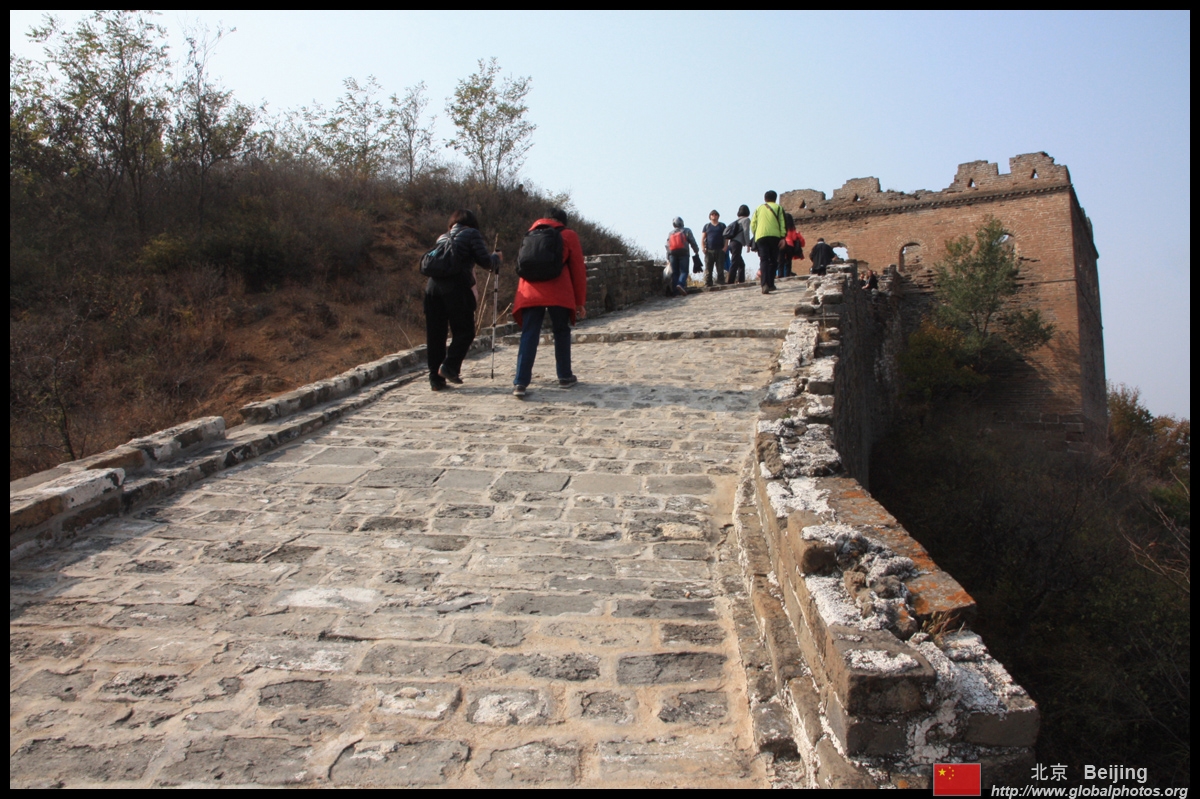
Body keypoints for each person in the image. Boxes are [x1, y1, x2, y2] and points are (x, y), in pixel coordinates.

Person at [512, 208, 587, 398]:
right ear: (563, 221)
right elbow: (578, 269)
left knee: (529, 333)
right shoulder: (568, 235)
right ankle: (565, 376)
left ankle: (520, 382)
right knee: (561, 331)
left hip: (530, 291)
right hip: (558, 290)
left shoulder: (530, 233)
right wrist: (580, 302)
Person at [424, 209, 501, 391]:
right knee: (465, 331)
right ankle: (449, 366)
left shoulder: (442, 237)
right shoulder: (471, 233)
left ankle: (436, 379)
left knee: (436, 335)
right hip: (456, 288)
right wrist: (496, 258)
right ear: (472, 223)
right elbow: (486, 262)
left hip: (432, 289)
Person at [751, 191, 786, 293]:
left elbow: (753, 224)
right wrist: (783, 237)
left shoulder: (758, 208)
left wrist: (756, 234)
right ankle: (771, 284)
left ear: (765, 199)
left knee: (764, 260)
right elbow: (782, 223)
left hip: (761, 236)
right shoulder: (779, 208)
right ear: (775, 198)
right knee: (773, 260)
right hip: (775, 236)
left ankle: (764, 284)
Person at [665, 217, 700, 296]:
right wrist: (696, 250)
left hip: (672, 254)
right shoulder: (687, 230)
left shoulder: (670, 233)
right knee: (684, 271)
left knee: (675, 272)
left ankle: (675, 292)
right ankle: (680, 284)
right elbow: (692, 241)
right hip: (684, 253)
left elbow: (667, 245)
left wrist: (667, 257)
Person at [724, 204, 751, 284]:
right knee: (735, 263)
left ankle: (741, 281)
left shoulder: (736, 221)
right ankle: (730, 282)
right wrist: (748, 244)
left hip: (732, 243)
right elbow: (746, 232)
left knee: (741, 264)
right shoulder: (746, 220)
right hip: (737, 244)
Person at [701, 210, 727, 287]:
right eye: (712, 214)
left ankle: (721, 282)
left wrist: (725, 247)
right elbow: (703, 238)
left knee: (720, 268)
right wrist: (703, 248)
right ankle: (708, 283)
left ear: (718, 216)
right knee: (708, 268)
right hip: (709, 250)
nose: (714, 216)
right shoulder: (707, 226)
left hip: (720, 250)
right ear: (710, 216)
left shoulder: (722, 226)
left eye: (716, 214)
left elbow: (726, 237)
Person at [779, 212, 806, 278]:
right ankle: (787, 274)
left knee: (781, 260)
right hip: (790, 245)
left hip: (781, 244)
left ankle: (780, 274)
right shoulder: (792, 229)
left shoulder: (780, 227)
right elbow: (795, 238)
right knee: (788, 261)